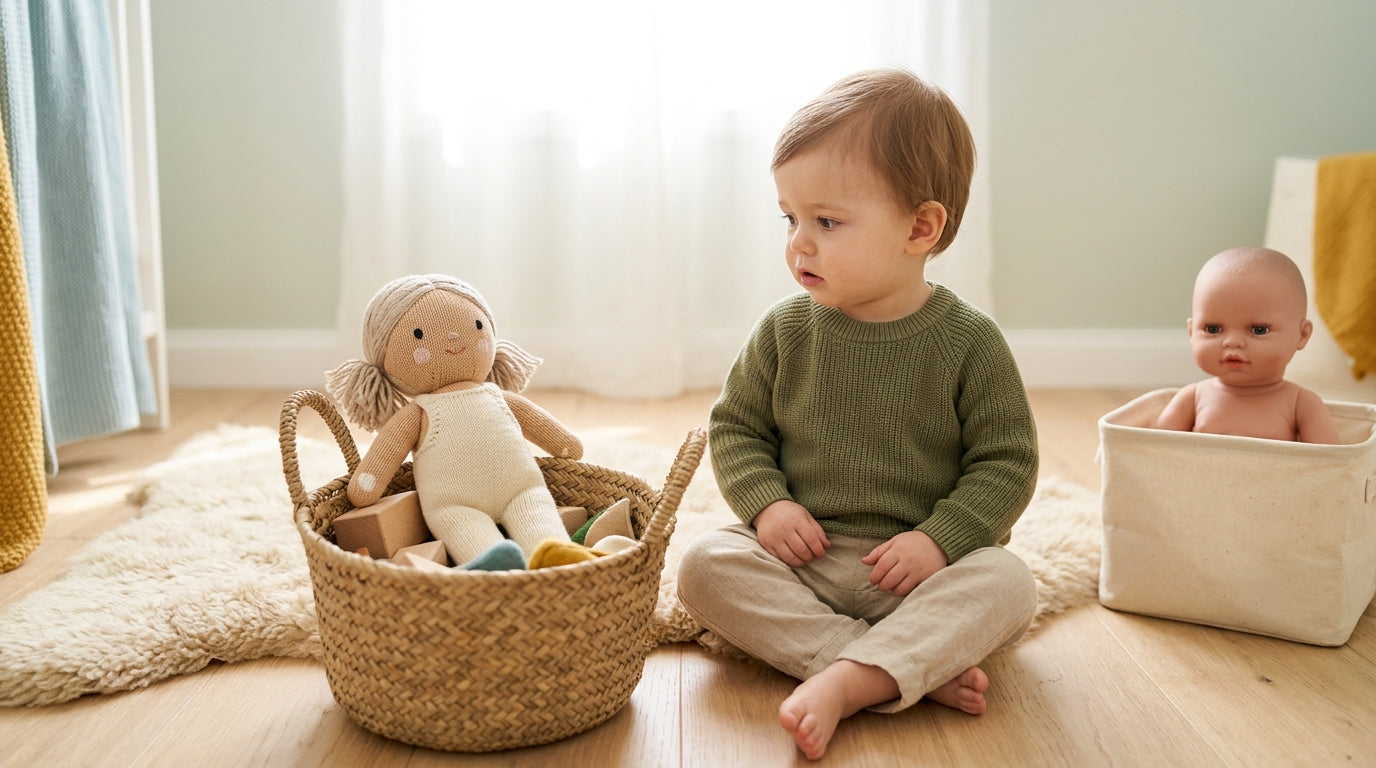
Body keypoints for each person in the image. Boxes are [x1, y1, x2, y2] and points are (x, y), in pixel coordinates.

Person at [675, 69, 1040, 761]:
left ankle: (867, 666)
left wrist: (939, 541)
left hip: (922, 575)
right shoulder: (785, 330)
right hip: (803, 565)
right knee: (703, 564)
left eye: (828, 222)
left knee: (1009, 583)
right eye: (791, 219)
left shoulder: (969, 341)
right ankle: (874, 668)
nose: (800, 243)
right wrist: (768, 507)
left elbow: (1007, 462)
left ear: (921, 227)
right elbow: (737, 429)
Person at [1155, 246, 1340, 444]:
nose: (1232, 342)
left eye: (1258, 330)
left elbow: (1331, 463)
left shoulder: (1301, 404)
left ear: (1302, 335)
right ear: (1191, 332)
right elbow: (1150, 449)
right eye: (1213, 329)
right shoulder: (1192, 398)